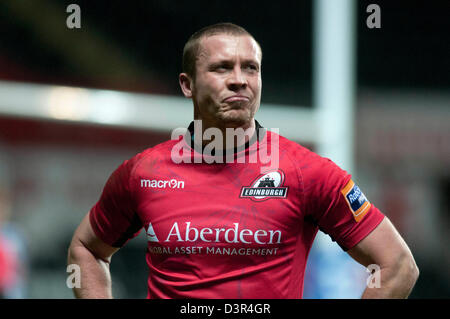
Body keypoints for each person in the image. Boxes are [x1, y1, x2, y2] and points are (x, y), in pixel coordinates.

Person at [67, 22, 419, 299]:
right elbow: (86, 248)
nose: (239, 80)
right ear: (187, 84)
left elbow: (398, 265)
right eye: (222, 68)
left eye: (250, 68)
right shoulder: (143, 174)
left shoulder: (308, 173)